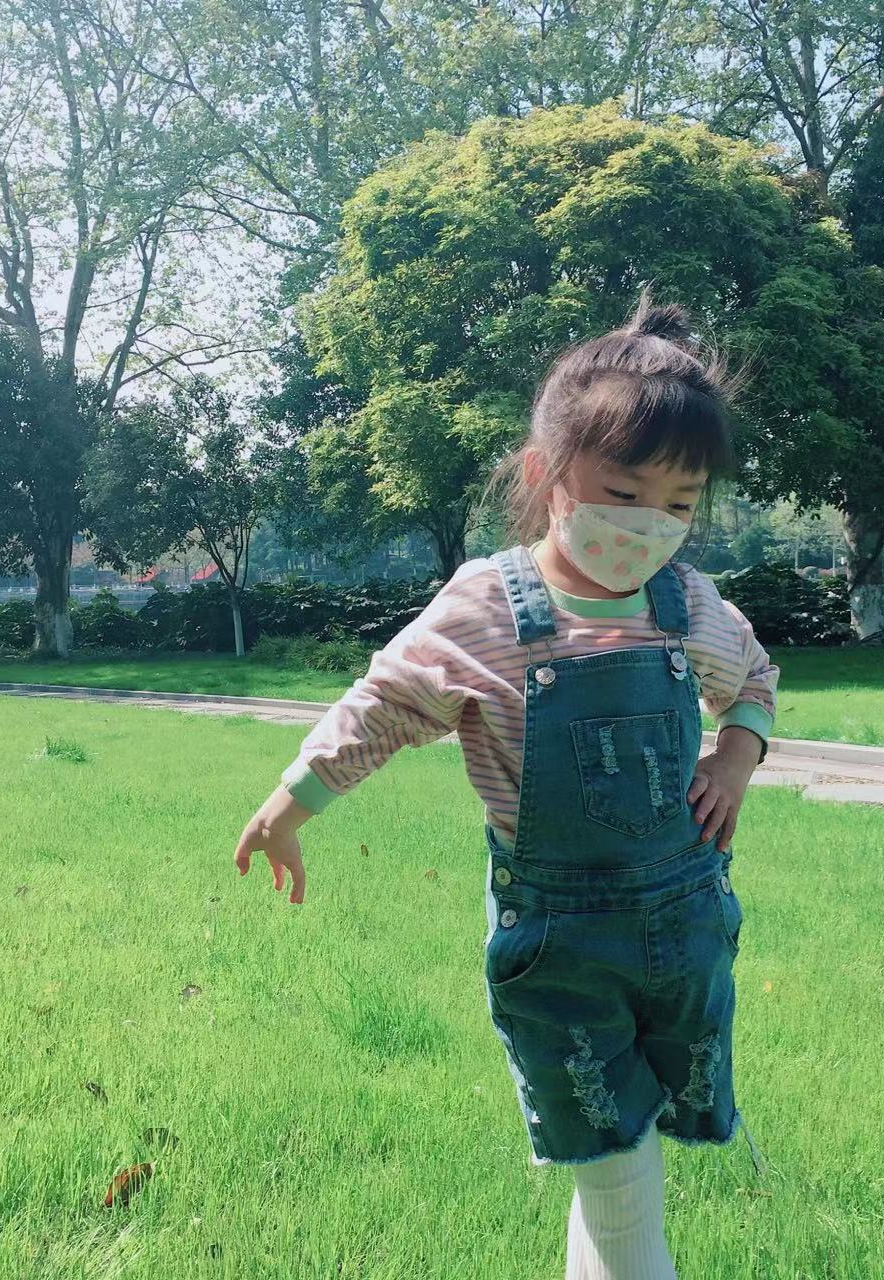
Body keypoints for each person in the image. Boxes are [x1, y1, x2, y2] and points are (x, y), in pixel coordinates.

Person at [233, 289, 778, 1279]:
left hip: (687, 926)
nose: (649, 525)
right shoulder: (487, 608)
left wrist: (735, 753)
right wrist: (290, 804)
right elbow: (382, 708)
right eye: (623, 491)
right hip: (561, 943)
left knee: (620, 1150)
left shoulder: (687, 603)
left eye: (679, 503)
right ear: (545, 474)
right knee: (614, 1166)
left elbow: (753, 679)